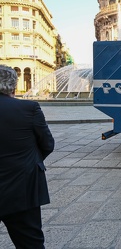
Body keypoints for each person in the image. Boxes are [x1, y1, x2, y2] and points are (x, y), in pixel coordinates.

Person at [0, 64, 54, 248]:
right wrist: (28, 160)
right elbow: (47, 145)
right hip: (23, 189)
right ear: (14, 86)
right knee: (30, 244)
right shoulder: (29, 108)